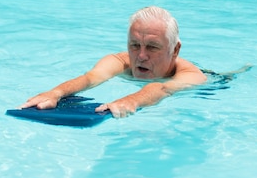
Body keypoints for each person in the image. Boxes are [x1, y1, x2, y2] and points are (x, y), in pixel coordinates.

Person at [20, 6, 207, 118]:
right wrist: (56, 92)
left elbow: (162, 88)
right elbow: (91, 78)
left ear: (175, 50)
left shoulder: (192, 76)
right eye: (134, 45)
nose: (141, 56)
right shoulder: (120, 61)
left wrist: (132, 100)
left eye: (152, 47)